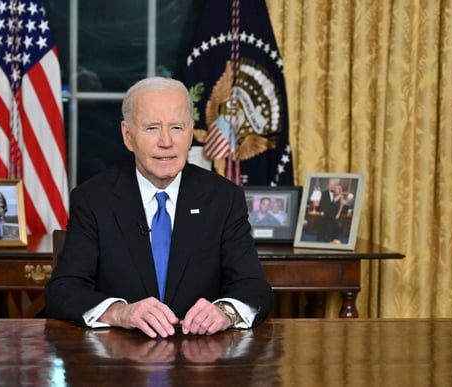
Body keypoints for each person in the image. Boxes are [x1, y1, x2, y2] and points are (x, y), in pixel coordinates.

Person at [45, 77, 272, 339]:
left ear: (190, 133)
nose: (166, 141)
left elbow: (255, 287)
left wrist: (225, 312)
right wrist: (120, 312)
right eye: (152, 128)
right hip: (119, 362)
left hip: (202, 362)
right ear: (128, 136)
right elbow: (63, 289)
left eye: (177, 127)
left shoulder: (224, 198)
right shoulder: (93, 199)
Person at [317, 178, 344, 243]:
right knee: (327, 225)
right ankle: (327, 239)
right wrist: (321, 211)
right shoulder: (324, 193)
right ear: (328, 184)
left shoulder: (336, 193)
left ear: (334, 185)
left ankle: (332, 239)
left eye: (332, 184)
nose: (331, 185)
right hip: (326, 212)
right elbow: (321, 203)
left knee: (333, 226)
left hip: (334, 213)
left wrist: (338, 214)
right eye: (330, 184)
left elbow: (340, 205)